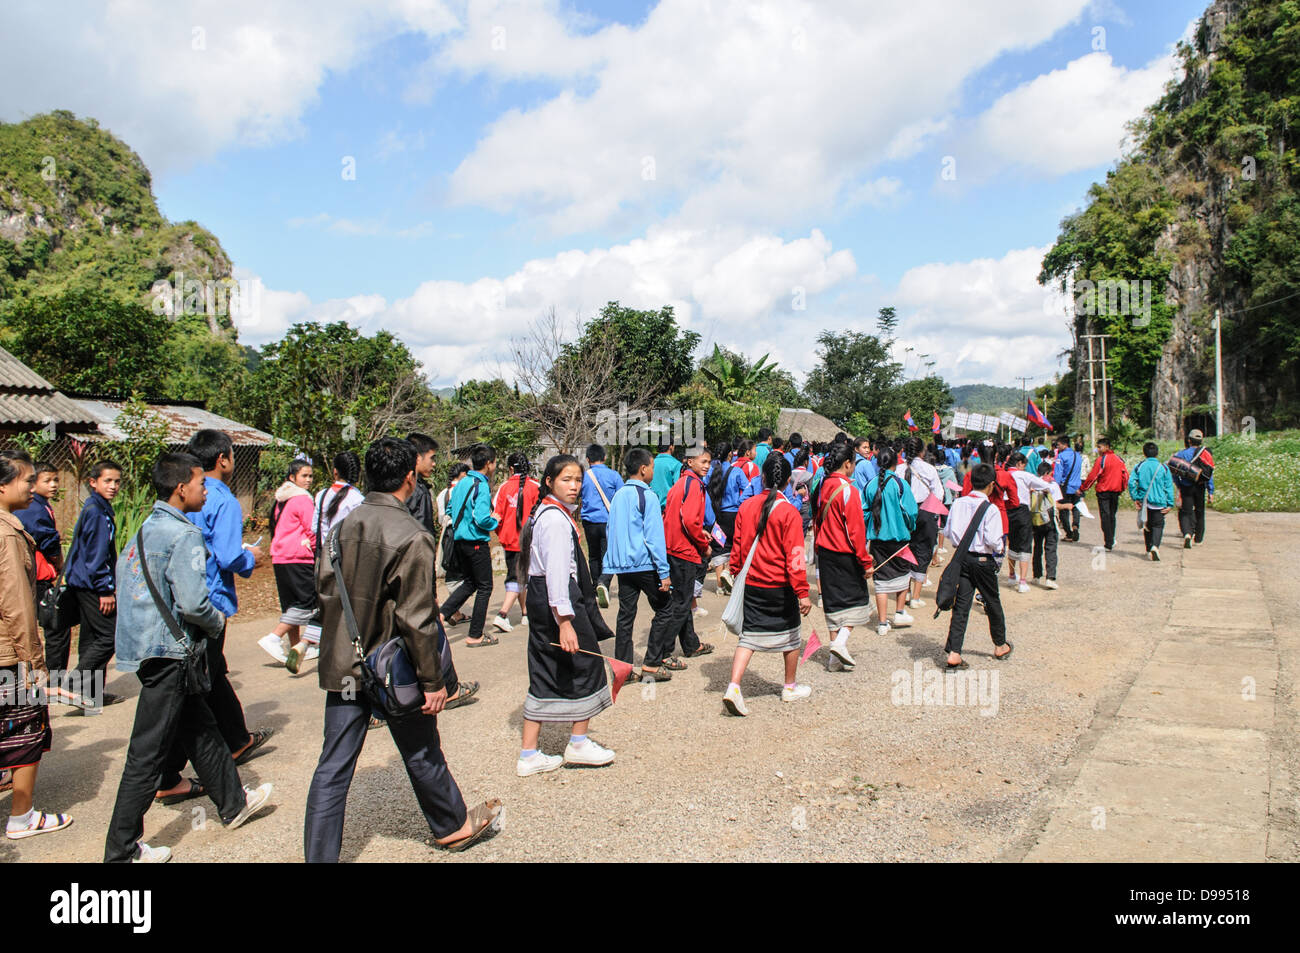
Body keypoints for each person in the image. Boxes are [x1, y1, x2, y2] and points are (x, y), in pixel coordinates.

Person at [305, 438, 501, 859]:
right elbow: (417, 618)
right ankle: (451, 826)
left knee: (333, 766)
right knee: (421, 748)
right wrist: (433, 681)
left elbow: (323, 590)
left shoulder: (342, 525)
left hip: (345, 662)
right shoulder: (412, 535)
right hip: (392, 666)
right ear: (410, 477)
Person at [104, 453, 274, 863]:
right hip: (173, 655)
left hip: (151, 650)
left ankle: (234, 804)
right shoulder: (184, 535)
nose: (205, 491)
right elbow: (196, 604)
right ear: (182, 488)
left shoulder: (146, 529)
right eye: (200, 484)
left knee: (202, 727)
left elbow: (127, 586)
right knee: (146, 754)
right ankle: (122, 850)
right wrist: (216, 623)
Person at [159, 429, 271, 803]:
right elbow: (224, 556)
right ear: (223, 459)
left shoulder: (185, 497)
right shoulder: (222, 499)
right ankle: (168, 772)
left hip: (185, 599)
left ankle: (236, 740)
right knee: (197, 687)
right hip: (209, 602)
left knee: (210, 675)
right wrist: (249, 558)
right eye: (233, 455)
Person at [515, 455, 617, 776]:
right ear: (549, 482)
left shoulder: (543, 514)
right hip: (558, 599)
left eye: (577, 480)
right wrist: (566, 621)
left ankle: (529, 753)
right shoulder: (556, 521)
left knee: (543, 669)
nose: (574, 486)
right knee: (586, 665)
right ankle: (578, 742)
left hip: (541, 598)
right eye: (565, 480)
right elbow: (558, 572)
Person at [1, 450, 72, 841]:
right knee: (25, 732)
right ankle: (22, 816)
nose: (33, 486)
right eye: (27, 480)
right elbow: (17, 607)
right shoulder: (7, 534)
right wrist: (35, 664)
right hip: (9, 653)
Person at [722, 453, 812, 716]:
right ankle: (789, 686)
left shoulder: (746, 507)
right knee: (792, 636)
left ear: (761, 477)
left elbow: (737, 548)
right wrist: (802, 592)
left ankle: (734, 686)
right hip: (780, 586)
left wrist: (736, 574)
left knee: (748, 636)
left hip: (752, 582)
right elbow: (795, 555)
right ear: (787, 482)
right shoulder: (789, 513)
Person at [285, 450, 364, 672]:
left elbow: (313, 528)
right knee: (346, 607)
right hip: (347, 559)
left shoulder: (320, 495)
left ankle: (304, 642)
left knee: (326, 603)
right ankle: (342, 655)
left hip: (323, 559)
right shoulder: (357, 499)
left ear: (335, 471)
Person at [603, 448, 672, 672]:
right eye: (652, 466)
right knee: (665, 609)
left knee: (625, 615)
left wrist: (610, 564)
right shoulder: (648, 496)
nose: (653, 470)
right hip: (643, 563)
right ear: (643, 469)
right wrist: (663, 572)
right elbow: (654, 537)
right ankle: (652, 663)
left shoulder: (618, 495)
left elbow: (610, 531)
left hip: (623, 566)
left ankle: (622, 667)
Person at [64, 458, 124, 710]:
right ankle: (74, 684)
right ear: (93, 482)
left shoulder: (96, 507)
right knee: (109, 637)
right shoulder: (97, 513)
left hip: (83, 582)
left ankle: (91, 695)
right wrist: (105, 589)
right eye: (107, 481)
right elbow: (96, 556)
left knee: (91, 637)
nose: (113, 486)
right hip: (91, 585)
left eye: (117, 481)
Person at [16, 462, 76, 703]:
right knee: (55, 628)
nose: (53, 485)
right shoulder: (32, 509)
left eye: (56, 480)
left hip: (39, 577)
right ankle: (50, 681)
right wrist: (58, 562)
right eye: (46, 481)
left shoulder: (40, 505)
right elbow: (48, 539)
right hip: (38, 578)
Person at [943, 463, 1012, 670]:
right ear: (992, 485)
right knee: (992, 601)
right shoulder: (991, 509)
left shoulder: (958, 503)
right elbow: (994, 540)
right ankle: (1000, 644)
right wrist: (1000, 547)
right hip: (983, 560)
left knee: (961, 605)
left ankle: (954, 652)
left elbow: (948, 532)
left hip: (963, 558)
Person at [812, 443, 872, 670]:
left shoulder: (822, 485)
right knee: (858, 602)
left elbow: (817, 519)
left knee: (834, 604)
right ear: (848, 464)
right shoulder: (848, 490)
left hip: (825, 552)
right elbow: (855, 531)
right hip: (844, 553)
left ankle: (833, 659)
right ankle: (841, 642)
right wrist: (865, 561)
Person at [656, 445, 715, 672]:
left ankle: (691, 644)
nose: (707, 466)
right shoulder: (693, 485)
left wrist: (700, 533)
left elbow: (681, 518)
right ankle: (663, 652)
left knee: (683, 598)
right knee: (681, 603)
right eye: (703, 462)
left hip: (673, 547)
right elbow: (690, 521)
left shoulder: (681, 483)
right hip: (683, 550)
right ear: (690, 461)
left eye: (709, 462)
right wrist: (703, 544)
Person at [440, 444, 500, 646]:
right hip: (476, 542)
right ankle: (475, 635)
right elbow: (482, 518)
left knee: (470, 582)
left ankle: (441, 615)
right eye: (494, 462)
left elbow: (450, 508)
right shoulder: (481, 485)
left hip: (460, 541)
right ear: (489, 464)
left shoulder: (463, 483)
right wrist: (495, 520)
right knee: (485, 587)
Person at [262, 459, 316, 665]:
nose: (308, 480)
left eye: (310, 476)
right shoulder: (302, 499)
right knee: (307, 602)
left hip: (280, 557)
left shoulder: (281, 498)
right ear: (292, 477)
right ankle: (274, 637)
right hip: (298, 557)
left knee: (290, 606)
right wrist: (315, 549)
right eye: (304, 476)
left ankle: (296, 648)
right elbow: (312, 529)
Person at [863, 446, 918, 637]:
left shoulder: (870, 485)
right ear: (896, 462)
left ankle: (882, 622)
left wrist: (870, 526)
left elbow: (864, 511)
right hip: (899, 537)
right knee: (903, 575)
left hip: (877, 539)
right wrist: (909, 527)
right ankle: (900, 612)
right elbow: (911, 512)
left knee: (881, 580)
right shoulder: (900, 484)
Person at [491, 452, 539, 632]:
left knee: (519, 575)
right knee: (520, 576)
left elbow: (496, 516)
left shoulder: (504, 488)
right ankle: (503, 614)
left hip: (510, 540)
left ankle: (526, 613)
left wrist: (501, 533)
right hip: (529, 540)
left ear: (511, 469)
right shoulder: (535, 487)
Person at [897, 436, 944, 609]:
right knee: (923, 551)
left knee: (905, 550)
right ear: (922, 451)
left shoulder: (899, 469)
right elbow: (939, 494)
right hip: (925, 511)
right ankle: (915, 597)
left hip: (904, 513)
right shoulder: (929, 469)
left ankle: (905, 591)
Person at [580, 443, 624, 609]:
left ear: (588, 459)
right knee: (609, 554)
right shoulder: (614, 475)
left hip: (589, 521)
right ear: (604, 458)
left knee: (593, 555)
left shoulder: (583, 476)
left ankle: (595, 585)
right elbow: (621, 497)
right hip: (608, 520)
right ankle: (603, 583)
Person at [1006, 452, 1053, 592]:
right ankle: (1022, 581)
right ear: (1019, 464)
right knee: (1025, 544)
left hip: (1007, 510)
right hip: (1022, 511)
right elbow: (1045, 485)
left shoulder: (1004, 474)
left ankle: (1011, 575)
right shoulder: (1024, 475)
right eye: (1024, 465)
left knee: (1012, 542)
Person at [1128, 441, 1176, 561]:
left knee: (1147, 525)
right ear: (1157, 453)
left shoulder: (1139, 466)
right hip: (1159, 502)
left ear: (1144, 453)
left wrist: (1136, 497)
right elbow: (1169, 486)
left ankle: (1148, 548)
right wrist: (1170, 503)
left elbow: (1131, 482)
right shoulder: (1163, 468)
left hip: (1144, 502)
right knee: (1158, 525)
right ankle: (1155, 546)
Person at [1080, 437, 1128, 552]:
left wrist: (1084, 488)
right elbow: (1125, 475)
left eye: (1099, 447)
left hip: (1104, 491)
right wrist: (1122, 488)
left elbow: (1093, 476)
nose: (1098, 449)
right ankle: (1111, 538)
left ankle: (1108, 542)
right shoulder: (1119, 459)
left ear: (1106, 447)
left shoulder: (1102, 460)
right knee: (1112, 515)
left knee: (1105, 516)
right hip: (1116, 491)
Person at [1030, 462, 1070, 589]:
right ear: (1048, 473)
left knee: (1037, 547)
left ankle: (1036, 575)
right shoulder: (1052, 486)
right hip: (1050, 521)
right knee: (1051, 548)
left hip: (1036, 520)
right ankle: (1050, 577)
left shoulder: (1032, 484)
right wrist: (1066, 506)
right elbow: (1056, 504)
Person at [1173, 429, 1215, 547]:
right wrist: (1210, 490)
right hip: (1200, 486)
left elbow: (1174, 471)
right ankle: (1199, 538)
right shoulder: (1205, 454)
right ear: (1201, 441)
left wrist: (1178, 485)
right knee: (1200, 511)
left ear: (1189, 440)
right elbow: (1209, 474)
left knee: (1186, 511)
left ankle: (1187, 533)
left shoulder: (1181, 454)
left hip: (1186, 487)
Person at [404, 432, 440, 533]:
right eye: (432, 458)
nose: (434, 464)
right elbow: (424, 529)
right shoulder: (418, 490)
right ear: (418, 458)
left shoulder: (399, 484)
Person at [1052, 436, 1084, 542]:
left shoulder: (1061, 457)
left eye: (1059, 445)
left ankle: (1069, 533)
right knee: (1076, 508)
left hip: (1065, 487)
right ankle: (1076, 526)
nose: (1058, 447)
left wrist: (1055, 487)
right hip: (1077, 486)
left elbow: (1058, 474)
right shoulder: (1078, 456)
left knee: (1064, 510)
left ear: (1065, 445)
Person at [650, 442, 681, 512]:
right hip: (668, 508)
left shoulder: (651, 463)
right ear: (671, 446)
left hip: (651, 506)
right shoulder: (676, 464)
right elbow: (678, 489)